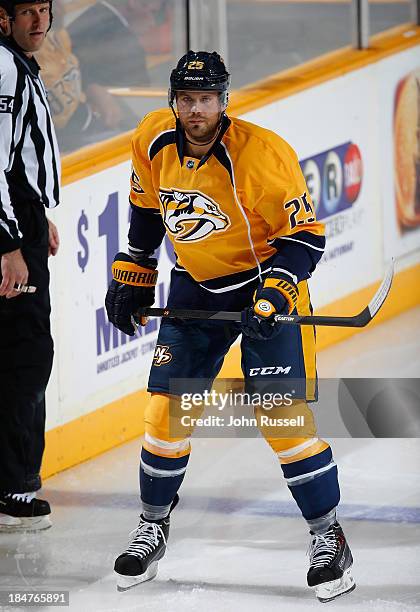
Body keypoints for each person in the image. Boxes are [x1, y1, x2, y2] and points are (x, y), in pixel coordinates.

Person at [105, 51, 355, 602]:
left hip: (264, 283)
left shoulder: (262, 155)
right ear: (173, 102)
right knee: (164, 411)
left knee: (280, 414)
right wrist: (134, 273)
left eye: (207, 99)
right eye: (187, 100)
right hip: (196, 283)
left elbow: (305, 235)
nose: (196, 110)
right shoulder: (152, 137)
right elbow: (146, 210)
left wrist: (274, 294)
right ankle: (152, 525)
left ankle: (328, 536)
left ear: (225, 100)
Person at [0, 0, 60, 531]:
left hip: (22, 221)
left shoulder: (16, 63)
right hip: (8, 229)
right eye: (27, 13)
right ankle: (13, 488)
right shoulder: (1, 66)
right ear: (3, 18)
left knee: (23, 352)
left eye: (45, 10)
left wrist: (39, 219)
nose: (39, 21)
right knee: (25, 353)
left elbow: (19, 156)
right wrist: (10, 242)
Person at [35, 0, 138, 153]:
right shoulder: (16, 62)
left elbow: (73, 67)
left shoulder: (57, 34)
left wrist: (92, 88)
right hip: (65, 146)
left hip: (88, 121)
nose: (58, 6)